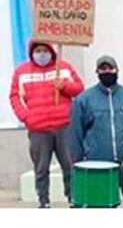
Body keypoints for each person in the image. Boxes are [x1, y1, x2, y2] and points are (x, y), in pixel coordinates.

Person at [9, 41, 85, 208]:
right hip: (38, 128)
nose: (42, 54)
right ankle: (43, 200)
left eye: (45, 50)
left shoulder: (63, 67)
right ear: (32, 52)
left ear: (51, 51)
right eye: (38, 50)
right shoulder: (21, 72)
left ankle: (73, 197)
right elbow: (15, 96)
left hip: (64, 125)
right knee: (41, 167)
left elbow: (79, 88)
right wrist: (26, 117)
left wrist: (64, 85)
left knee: (69, 164)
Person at [69, 56, 123, 208]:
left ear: (117, 70)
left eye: (110, 68)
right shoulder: (84, 100)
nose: (107, 72)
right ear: (97, 72)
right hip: (98, 164)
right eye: (103, 69)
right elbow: (76, 134)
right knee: (100, 207)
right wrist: (79, 161)